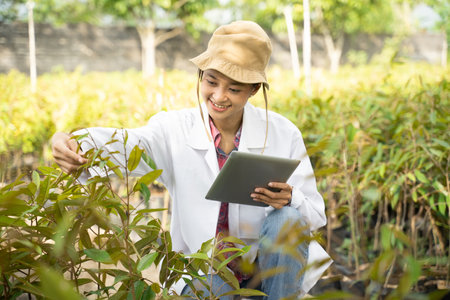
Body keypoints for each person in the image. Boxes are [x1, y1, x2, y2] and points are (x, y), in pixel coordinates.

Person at [51, 20, 331, 299]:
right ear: (200, 75)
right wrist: (78, 142)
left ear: (254, 89)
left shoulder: (283, 133)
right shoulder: (175, 128)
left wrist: (290, 197)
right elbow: (132, 143)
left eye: (234, 89)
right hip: (205, 269)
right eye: (211, 81)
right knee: (216, 290)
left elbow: (315, 215)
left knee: (287, 220)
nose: (219, 96)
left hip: (267, 269)